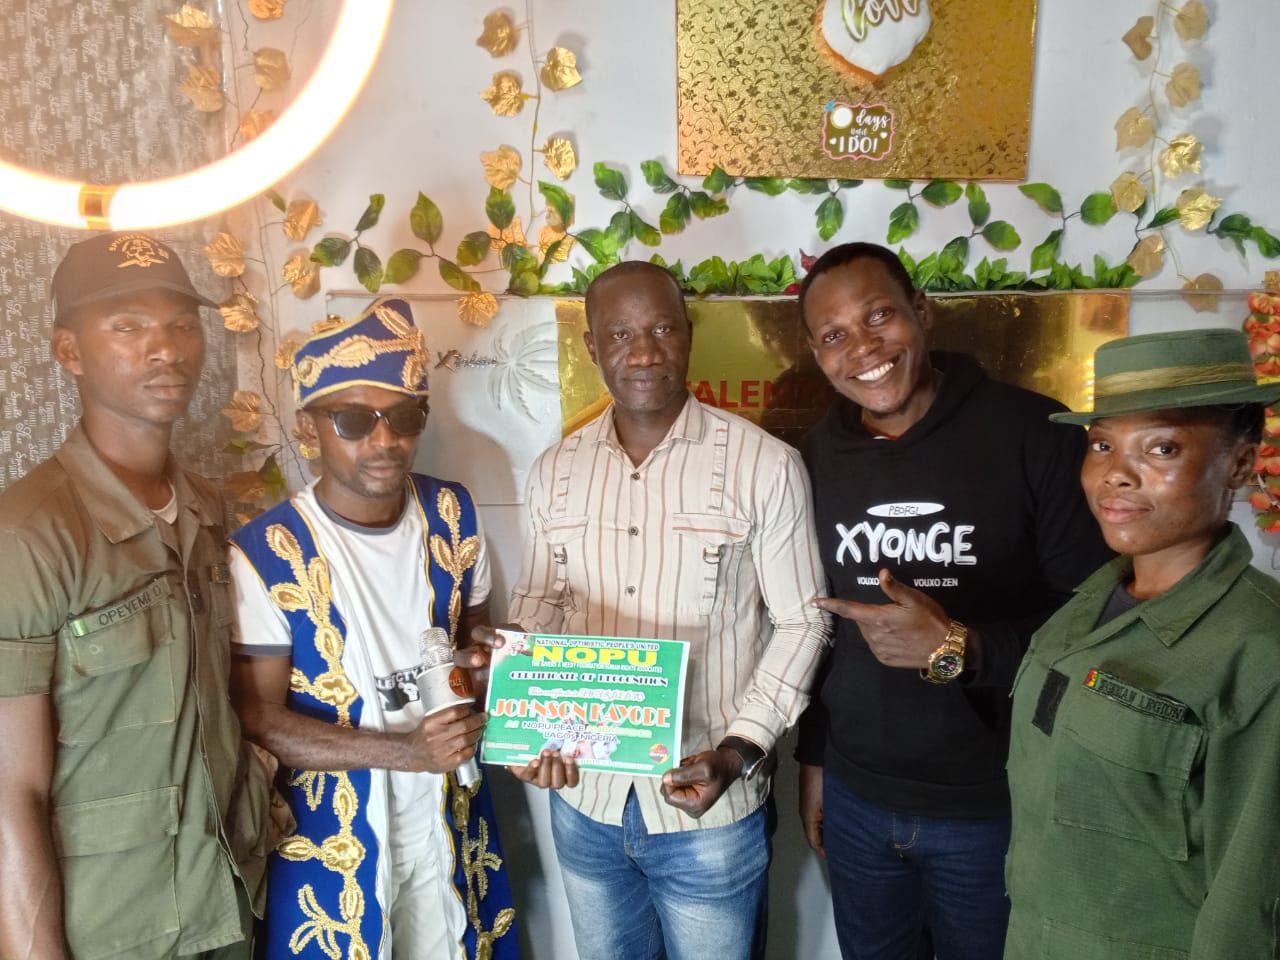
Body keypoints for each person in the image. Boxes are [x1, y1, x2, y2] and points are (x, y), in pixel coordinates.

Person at [471, 260, 831, 960]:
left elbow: (804, 621)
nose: (644, 353)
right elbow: (544, 605)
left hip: (711, 814)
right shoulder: (555, 471)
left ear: (688, 334)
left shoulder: (765, 465)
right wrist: (522, 709)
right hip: (586, 805)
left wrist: (738, 750)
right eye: (620, 334)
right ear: (591, 346)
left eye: (663, 329)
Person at [794, 242, 1112, 959]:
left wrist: (959, 647)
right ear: (817, 354)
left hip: (994, 803)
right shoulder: (812, 460)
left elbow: (1095, 623)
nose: (863, 348)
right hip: (857, 798)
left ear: (922, 312)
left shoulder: (1035, 434)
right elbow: (819, 630)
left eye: (879, 316)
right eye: (835, 335)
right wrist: (815, 761)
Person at [0, 232, 269, 960]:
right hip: (112, 930)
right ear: (69, 351)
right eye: (128, 326)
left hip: (231, 902)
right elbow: (9, 789)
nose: (166, 349)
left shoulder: (208, 509)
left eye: (182, 325)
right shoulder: (30, 534)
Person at [228, 298, 516, 960]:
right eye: (355, 420)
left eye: (404, 416)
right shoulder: (266, 553)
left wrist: (489, 665)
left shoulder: (452, 513)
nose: (385, 440)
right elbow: (256, 716)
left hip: (451, 816)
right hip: (336, 837)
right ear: (309, 426)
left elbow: (475, 637)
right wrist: (405, 752)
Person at [1004, 329, 1280, 958]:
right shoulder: (1086, 607)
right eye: (1102, 444)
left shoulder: (1260, 652)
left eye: (1161, 448)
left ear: (1240, 463)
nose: (1116, 476)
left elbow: (1251, 905)